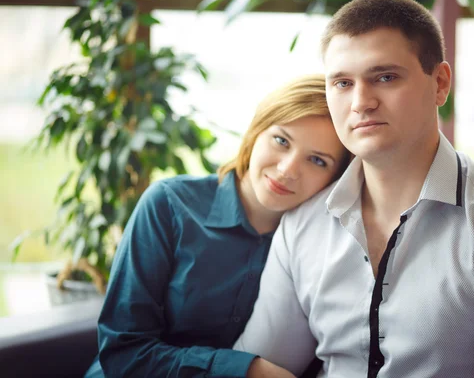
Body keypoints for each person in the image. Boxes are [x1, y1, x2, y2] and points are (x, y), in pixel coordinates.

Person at [234, 0, 474, 378]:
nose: (361, 102)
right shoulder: (303, 223)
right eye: (343, 82)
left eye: (385, 77)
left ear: (440, 83)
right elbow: (267, 364)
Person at [83, 74, 351, 378]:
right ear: (255, 132)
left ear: (335, 180)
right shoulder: (168, 205)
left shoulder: (321, 244)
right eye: (281, 140)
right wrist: (246, 371)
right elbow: (123, 352)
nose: (287, 169)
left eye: (317, 160)